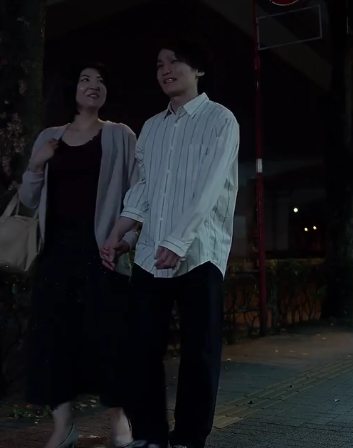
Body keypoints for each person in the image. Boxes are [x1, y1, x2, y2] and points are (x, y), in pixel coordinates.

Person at [101, 40, 240, 448]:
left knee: (200, 351)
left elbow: (210, 186)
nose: (165, 69)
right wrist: (120, 233)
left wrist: (180, 239)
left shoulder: (221, 120)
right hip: (149, 254)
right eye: (160, 63)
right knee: (141, 347)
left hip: (201, 253)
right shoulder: (152, 127)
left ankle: (190, 437)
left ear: (198, 69)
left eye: (175, 61)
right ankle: (150, 434)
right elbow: (144, 190)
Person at [20, 62, 139, 448]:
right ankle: (63, 425)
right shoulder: (50, 137)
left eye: (101, 81)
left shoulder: (120, 135)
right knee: (53, 339)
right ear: (71, 89)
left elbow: (138, 193)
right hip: (55, 253)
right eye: (85, 79)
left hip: (103, 251)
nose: (94, 85)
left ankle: (119, 422)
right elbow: (27, 200)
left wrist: (126, 239)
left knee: (111, 337)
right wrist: (36, 165)